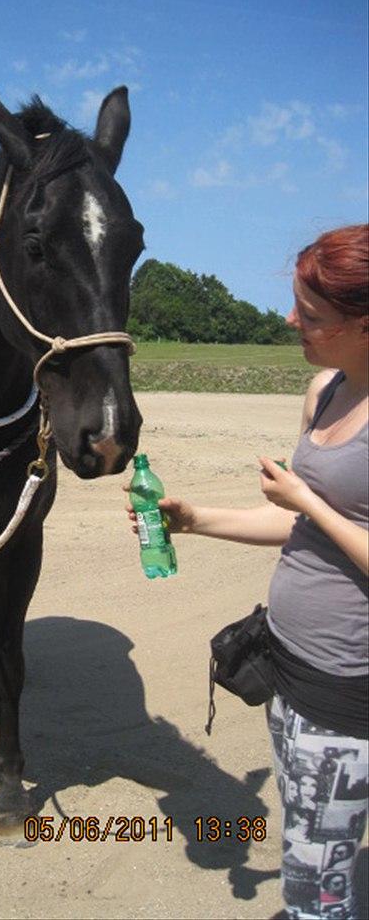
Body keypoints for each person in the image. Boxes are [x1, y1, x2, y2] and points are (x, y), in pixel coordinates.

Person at [125, 224, 368, 920]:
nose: (293, 321)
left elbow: (311, 514)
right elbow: (297, 527)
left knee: (317, 888)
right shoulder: (325, 392)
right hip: (286, 663)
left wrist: (309, 500)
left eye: (313, 316)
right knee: (308, 840)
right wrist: (192, 518)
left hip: (346, 687)